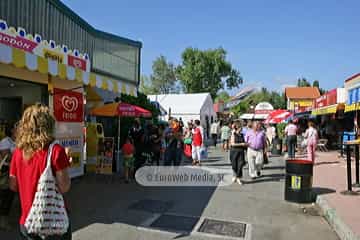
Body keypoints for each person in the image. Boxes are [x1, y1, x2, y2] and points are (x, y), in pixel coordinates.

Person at [9, 104, 72, 239]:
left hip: (27, 222)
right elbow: (65, 187)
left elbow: (13, 186)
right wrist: (67, 165)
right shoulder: (56, 151)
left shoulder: (18, 152)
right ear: (49, 125)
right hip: (53, 221)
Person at [0, 125, 16, 230]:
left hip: (13, 172)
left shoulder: (13, 141)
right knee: (5, 196)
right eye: (15, 128)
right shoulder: (6, 141)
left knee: (9, 195)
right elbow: (7, 157)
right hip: (5, 173)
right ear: (11, 130)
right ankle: (3, 221)